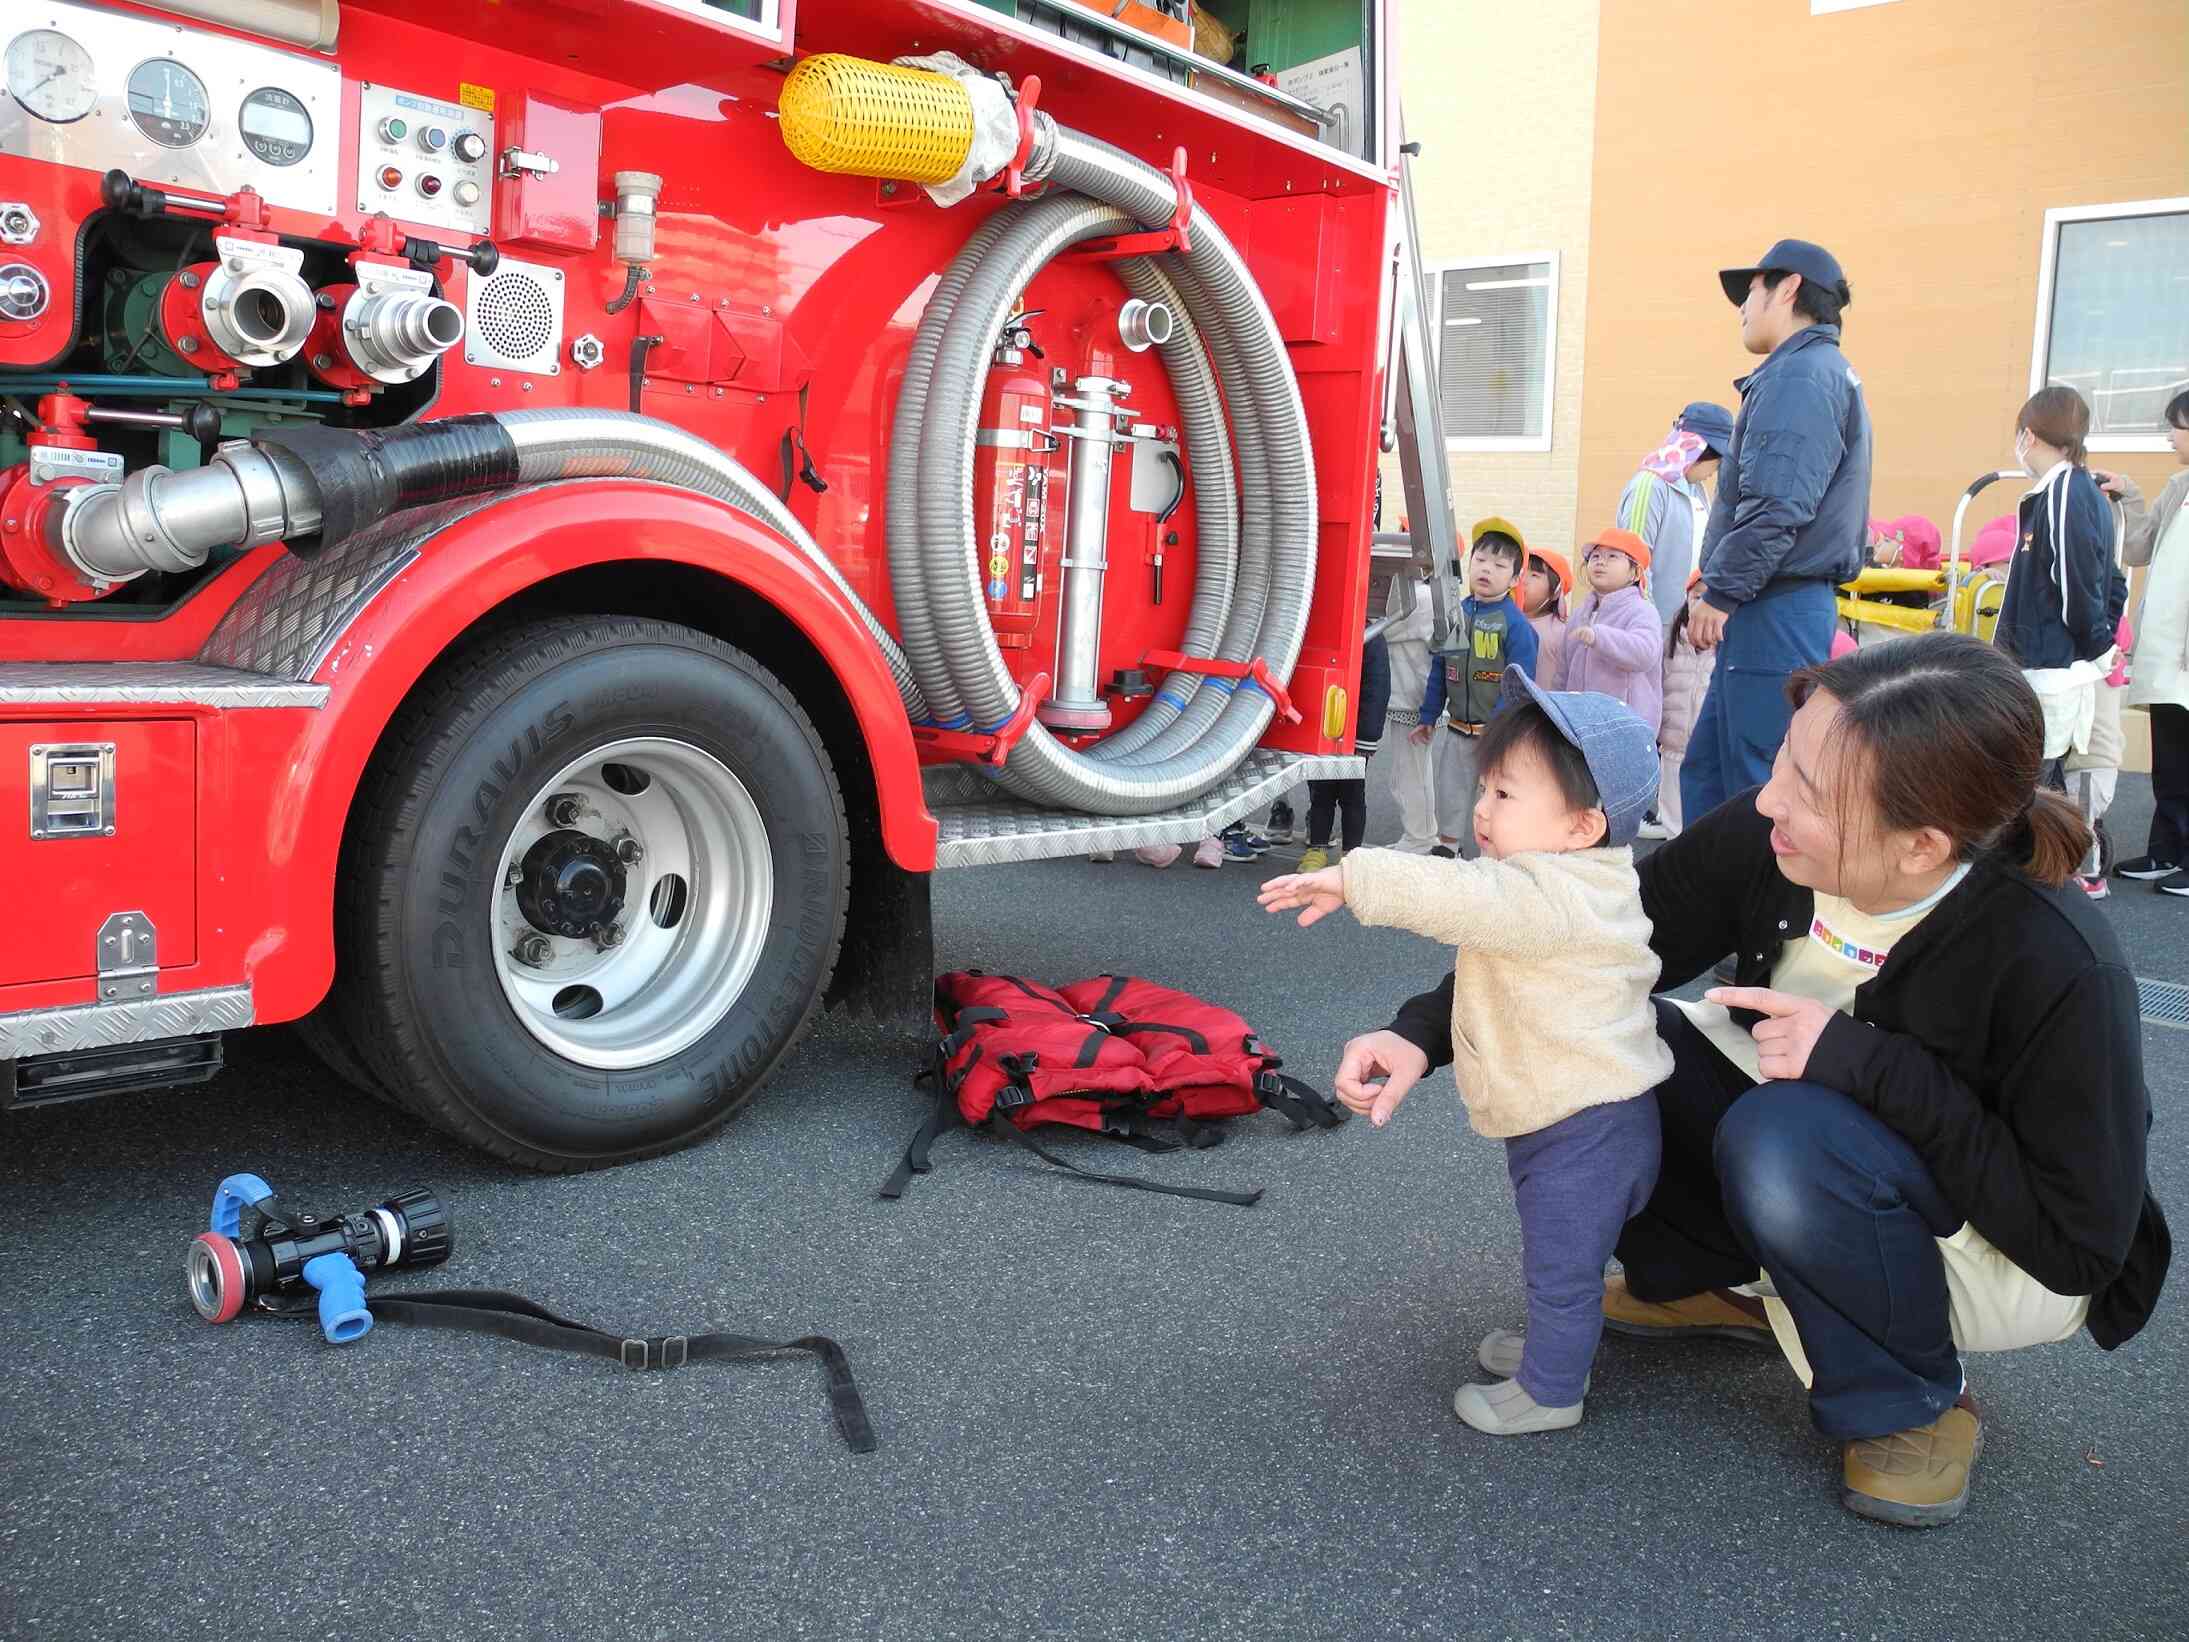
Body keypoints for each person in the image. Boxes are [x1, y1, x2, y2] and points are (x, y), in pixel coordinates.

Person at [1338, 633, 2169, 1527]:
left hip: (2000, 1248)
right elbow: (1589, 954)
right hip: (1821, 1135)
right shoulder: (1765, 835)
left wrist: (1863, 1064)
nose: (1768, 796)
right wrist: (1419, 1032)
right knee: (1611, 1041)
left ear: (1921, 845)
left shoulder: (2054, 960)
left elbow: (2077, 1244)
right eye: (1784, 759)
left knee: (1786, 1134)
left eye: (1807, 792)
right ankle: (1729, 1281)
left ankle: (1912, 1398)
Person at [1258, 670, 1667, 1434]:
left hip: (1583, 1125)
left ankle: (1551, 1390)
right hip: (1580, 1111)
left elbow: (1462, 898)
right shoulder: (1576, 879)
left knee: (1561, 1270)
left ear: (1582, 826)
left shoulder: (1554, 894)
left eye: (1506, 795)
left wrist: (1357, 878)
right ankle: (1554, 1348)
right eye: (1485, 790)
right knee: (1559, 1262)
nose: (1481, 810)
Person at [1683, 239, 1871, 830]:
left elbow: (1777, 507)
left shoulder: (1800, 376)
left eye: (1752, 290)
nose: (1742, 306)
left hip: (1775, 602)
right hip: (1771, 600)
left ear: (1787, 288)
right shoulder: (1810, 372)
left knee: (1757, 780)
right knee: (1712, 770)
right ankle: (1714, 914)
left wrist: (1722, 591)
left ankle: (1756, 920)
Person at [1994, 385, 2129, 893]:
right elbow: (2108, 578)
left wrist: (2096, 644)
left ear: (2028, 435)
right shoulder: (2075, 491)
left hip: (2053, 665)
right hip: (2056, 662)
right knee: (2046, 776)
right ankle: (2063, 875)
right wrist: (2100, 641)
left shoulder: (2063, 492)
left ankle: (2053, 879)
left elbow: (2075, 583)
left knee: (2038, 777)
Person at [1412, 519, 1540, 857]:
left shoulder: (1515, 625)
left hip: (1495, 736)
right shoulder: (1456, 614)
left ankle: (1491, 856)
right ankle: (1448, 848)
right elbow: (1440, 667)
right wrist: (1428, 715)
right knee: (1451, 791)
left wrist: (1500, 727)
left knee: (1495, 795)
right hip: (1455, 729)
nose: (1487, 569)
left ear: (1515, 579)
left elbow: (1520, 686)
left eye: (1499, 565)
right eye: (1481, 560)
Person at [2113, 388, 2189, 894]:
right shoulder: (2179, 486)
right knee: (2171, 757)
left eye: (2176, 426)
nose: (2169, 436)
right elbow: (2138, 549)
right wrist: (2131, 498)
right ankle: (2167, 852)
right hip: (2166, 649)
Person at [1615, 403, 1734, 629]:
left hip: (1681, 633)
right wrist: (1645, 628)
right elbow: (1635, 563)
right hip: (1649, 630)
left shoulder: (1697, 491)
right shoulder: (1649, 486)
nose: (1715, 472)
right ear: (1700, 451)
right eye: (1717, 463)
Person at [1299, 631, 1392, 873]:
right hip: (1323, 731)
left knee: (1352, 796)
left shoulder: (1373, 638)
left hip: (1355, 736)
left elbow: (1377, 690)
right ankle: (1316, 849)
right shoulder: (1322, 629)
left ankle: (1352, 854)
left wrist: (1367, 739)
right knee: (1321, 793)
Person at [1561, 528, 1664, 740]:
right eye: (1595, 556)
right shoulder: (1581, 613)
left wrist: (1599, 637)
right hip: (1579, 728)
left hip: (1625, 730)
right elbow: (1564, 670)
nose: (1600, 562)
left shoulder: (1642, 610)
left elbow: (1645, 653)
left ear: (1634, 572)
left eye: (1612, 557)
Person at [1642, 570, 1715, 839]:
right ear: (1687, 599)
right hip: (1672, 745)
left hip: (1706, 747)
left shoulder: (1728, 645)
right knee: (1672, 814)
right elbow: (1657, 687)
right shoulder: (1672, 641)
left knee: (1703, 814)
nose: (1702, 603)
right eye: (1697, 597)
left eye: (1710, 597)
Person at [1382, 561, 1441, 853]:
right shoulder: (1422, 594)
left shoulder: (1422, 598)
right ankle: (1418, 835)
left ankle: (1421, 837)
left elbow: (1383, 628)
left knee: (1412, 773)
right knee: (1406, 772)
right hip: (1409, 698)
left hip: (1414, 700)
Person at [1518, 547, 1573, 690]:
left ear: (1555, 593)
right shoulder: (1505, 620)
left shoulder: (1560, 632)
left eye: (1535, 575)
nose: (1523, 580)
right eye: (1521, 572)